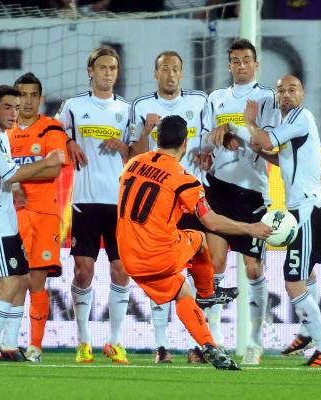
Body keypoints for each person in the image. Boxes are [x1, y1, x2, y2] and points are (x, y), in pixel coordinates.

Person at [117, 115, 272, 370]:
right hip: (158, 253)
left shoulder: (133, 164)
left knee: (182, 293)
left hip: (128, 257)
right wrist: (249, 228)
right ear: (185, 143)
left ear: (157, 139)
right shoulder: (184, 179)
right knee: (199, 238)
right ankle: (209, 293)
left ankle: (209, 345)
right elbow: (212, 222)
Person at [129, 51, 238, 364]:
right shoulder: (141, 106)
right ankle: (161, 345)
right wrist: (144, 132)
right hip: (161, 203)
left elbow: (210, 139)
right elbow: (134, 153)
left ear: (182, 72)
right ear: (156, 73)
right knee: (169, 271)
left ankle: (200, 345)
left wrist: (214, 147)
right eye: (165, 68)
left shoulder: (200, 101)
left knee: (206, 265)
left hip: (193, 195)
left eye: (176, 68)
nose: (170, 74)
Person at [240, 75, 321, 367]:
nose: (285, 94)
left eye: (291, 89)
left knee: (293, 282)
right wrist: (263, 153)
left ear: (302, 93)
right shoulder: (293, 124)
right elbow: (284, 157)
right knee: (306, 274)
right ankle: (307, 333)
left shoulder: (300, 117)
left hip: (306, 210)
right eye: (281, 90)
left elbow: (265, 139)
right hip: (307, 208)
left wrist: (249, 123)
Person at [0, 85, 65, 362]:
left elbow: (2, 177)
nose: (14, 113)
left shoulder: (1, 136)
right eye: (7, 107)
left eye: (16, 107)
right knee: (9, 282)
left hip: (6, 221)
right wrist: (46, 162)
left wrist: (14, 187)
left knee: (23, 279)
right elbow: (10, 173)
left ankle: (10, 344)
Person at [203, 38, 279, 365]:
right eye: (235, 60)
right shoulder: (216, 98)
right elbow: (205, 138)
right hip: (218, 187)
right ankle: (213, 339)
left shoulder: (268, 98)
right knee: (214, 264)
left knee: (253, 267)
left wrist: (239, 130)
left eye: (247, 60)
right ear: (229, 65)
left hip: (253, 192)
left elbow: (271, 143)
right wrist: (215, 138)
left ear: (256, 64)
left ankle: (254, 341)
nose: (241, 65)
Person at [56, 46, 131, 364]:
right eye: (102, 67)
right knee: (83, 271)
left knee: (121, 270)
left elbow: (138, 154)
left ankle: (115, 342)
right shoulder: (73, 107)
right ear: (91, 71)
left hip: (117, 203)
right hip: (84, 202)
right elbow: (53, 135)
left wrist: (124, 147)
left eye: (113, 68)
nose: (108, 73)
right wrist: (69, 141)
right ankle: (83, 340)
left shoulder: (127, 110)